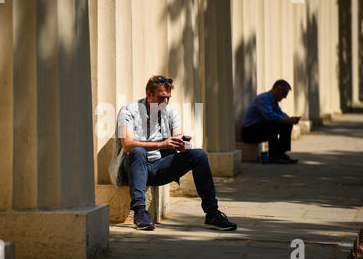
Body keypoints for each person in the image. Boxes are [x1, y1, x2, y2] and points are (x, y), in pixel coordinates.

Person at [109, 75, 237, 231]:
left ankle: (212, 213)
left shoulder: (170, 112)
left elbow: (179, 137)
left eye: (168, 98)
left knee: (198, 155)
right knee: (138, 151)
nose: (166, 102)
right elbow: (127, 145)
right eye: (161, 98)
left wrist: (184, 145)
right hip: (133, 168)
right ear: (149, 94)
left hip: (158, 168)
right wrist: (161, 144)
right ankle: (139, 212)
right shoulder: (127, 111)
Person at [241, 80, 301, 164]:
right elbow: (269, 116)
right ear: (277, 89)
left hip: (258, 129)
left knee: (286, 124)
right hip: (249, 132)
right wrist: (286, 120)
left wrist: (290, 119)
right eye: (284, 93)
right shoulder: (264, 98)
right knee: (272, 124)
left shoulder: (273, 101)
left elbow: (280, 113)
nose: (285, 97)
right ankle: (273, 156)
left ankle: (281, 153)